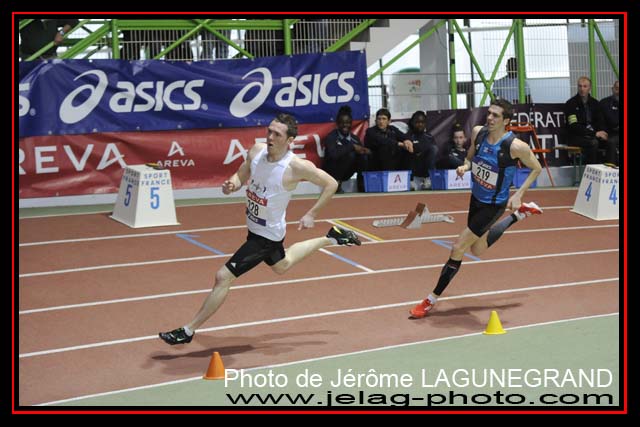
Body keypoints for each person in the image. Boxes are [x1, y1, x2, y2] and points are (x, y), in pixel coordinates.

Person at [159, 113, 362, 345]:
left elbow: (331, 184)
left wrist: (312, 213)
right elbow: (242, 172)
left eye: (277, 134)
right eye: (269, 131)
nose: (270, 137)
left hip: (266, 236)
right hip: (256, 228)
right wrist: (233, 183)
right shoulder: (256, 152)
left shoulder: (296, 167)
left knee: (223, 276)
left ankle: (187, 331)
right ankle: (332, 238)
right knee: (282, 265)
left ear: (290, 140)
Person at [410, 99, 543, 318]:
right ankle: (518, 216)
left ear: (506, 121)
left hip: (494, 205)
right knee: (478, 249)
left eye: (495, 115)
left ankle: (429, 300)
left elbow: (536, 168)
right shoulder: (478, 132)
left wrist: (519, 194)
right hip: (476, 199)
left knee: (458, 247)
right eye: (489, 113)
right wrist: (465, 166)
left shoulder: (515, 146)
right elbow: (470, 158)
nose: (489, 118)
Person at [564, 76, 613, 165]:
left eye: (585, 86)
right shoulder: (570, 104)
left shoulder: (595, 103)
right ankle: (591, 168)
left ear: (589, 88)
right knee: (593, 143)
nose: (582, 89)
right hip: (576, 136)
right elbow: (574, 126)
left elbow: (600, 121)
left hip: (593, 134)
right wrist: (594, 133)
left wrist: (602, 132)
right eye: (580, 86)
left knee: (610, 142)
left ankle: (610, 169)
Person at [322, 105, 371, 193]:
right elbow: (334, 154)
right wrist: (352, 147)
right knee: (350, 154)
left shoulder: (355, 138)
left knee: (363, 157)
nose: (345, 125)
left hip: (348, 171)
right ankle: (336, 184)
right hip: (332, 170)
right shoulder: (331, 137)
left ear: (351, 123)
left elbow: (361, 154)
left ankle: (362, 185)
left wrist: (365, 151)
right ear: (337, 123)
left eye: (348, 122)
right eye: (342, 123)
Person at [405, 111, 439, 190]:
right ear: (413, 123)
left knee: (434, 149)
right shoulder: (408, 136)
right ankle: (411, 180)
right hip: (414, 169)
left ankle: (430, 179)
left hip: (426, 168)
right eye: (417, 122)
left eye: (422, 122)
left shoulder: (429, 137)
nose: (420, 124)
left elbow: (433, 154)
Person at [599, 80, 620, 165]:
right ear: (612, 89)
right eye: (617, 89)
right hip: (609, 134)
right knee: (611, 142)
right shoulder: (604, 103)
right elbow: (600, 121)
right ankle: (611, 169)